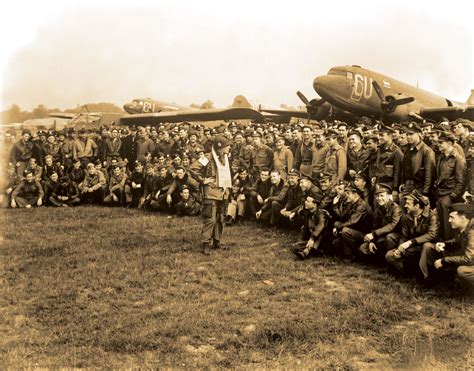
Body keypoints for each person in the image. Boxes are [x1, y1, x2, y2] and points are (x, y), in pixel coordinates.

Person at [189, 135, 233, 254]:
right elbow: (193, 169)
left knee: (220, 218)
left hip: (223, 192)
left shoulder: (225, 158)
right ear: (219, 147)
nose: (229, 148)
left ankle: (217, 241)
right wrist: (203, 180)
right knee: (210, 219)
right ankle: (206, 243)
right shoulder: (207, 157)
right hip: (211, 193)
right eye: (227, 146)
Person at [419, 203, 473, 289]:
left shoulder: (472, 232)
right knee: (428, 246)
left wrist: (444, 261)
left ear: (462, 218)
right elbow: (458, 240)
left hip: (470, 263)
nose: (449, 220)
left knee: (462, 271)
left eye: (452, 217)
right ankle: (429, 279)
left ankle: (466, 289)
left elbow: (468, 259)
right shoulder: (467, 227)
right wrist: (445, 243)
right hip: (468, 260)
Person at [385, 190, 439, 276]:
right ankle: (407, 272)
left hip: (426, 247)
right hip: (411, 247)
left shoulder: (431, 216)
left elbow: (432, 234)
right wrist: (400, 249)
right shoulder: (406, 217)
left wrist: (411, 242)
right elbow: (404, 236)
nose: (405, 206)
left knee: (425, 248)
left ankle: (422, 274)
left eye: (408, 204)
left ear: (417, 206)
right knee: (389, 255)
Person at [359, 183, 402, 262]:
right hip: (380, 236)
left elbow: (392, 226)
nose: (379, 198)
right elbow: (375, 226)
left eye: (382, 196)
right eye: (377, 196)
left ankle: (389, 260)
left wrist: (373, 234)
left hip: (394, 237)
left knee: (389, 237)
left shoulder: (396, 208)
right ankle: (379, 259)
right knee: (363, 249)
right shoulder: (378, 208)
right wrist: (372, 241)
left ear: (389, 196)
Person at [293, 191, 330, 259]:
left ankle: (307, 251)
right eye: (306, 201)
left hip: (324, 239)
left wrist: (312, 239)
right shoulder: (308, 212)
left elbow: (321, 226)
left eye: (308, 201)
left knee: (322, 232)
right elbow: (305, 229)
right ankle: (315, 250)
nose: (305, 202)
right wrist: (300, 241)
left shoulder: (322, 213)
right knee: (295, 246)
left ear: (314, 205)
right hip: (313, 238)